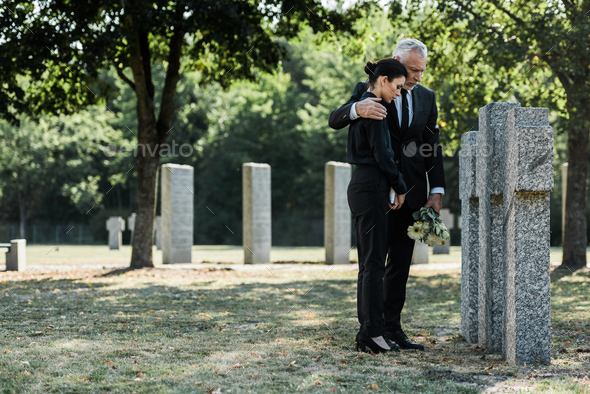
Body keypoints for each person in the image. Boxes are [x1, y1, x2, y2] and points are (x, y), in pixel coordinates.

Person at [331, 38, 446, 351]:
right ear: (395, 63)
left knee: (401, 263)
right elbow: (336, 118)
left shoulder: (427, 97)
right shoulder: (368, 88)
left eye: (422, 71)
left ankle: (392, 328)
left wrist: (436, 189)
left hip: (412, 191)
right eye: (411, 69)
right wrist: (355, 109)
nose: (417, 77)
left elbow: (431, 145)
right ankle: (373, 329)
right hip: (378, 187)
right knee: (373, 261)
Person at [347, 58, 408, 354]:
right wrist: (401, 186)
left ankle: (367, 332)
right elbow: (383, 154)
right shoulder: (373, 108)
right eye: (397, 86)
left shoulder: (365, 103)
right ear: (383, 80)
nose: (400, 92)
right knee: (373, 265)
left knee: (369, 264)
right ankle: (372, 333)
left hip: (365, 185)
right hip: (371, 186)